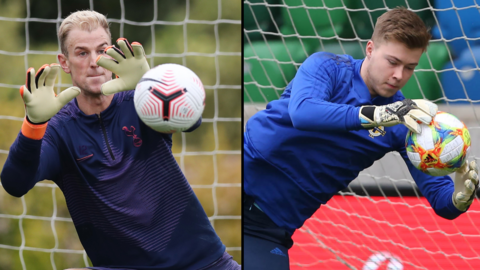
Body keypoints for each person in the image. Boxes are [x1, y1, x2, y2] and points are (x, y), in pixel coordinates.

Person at [1, 10, 240, 270]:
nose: (94, 62)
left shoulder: (141, 103)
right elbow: (14, 183)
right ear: (65, 62)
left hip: (202, 262)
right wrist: (33, 126)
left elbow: (192, 122)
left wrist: (150, 85)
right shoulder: (58, 130)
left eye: (101, 50)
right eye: (82, 53)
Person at [243, 7, 479, 270]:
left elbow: (441, 201)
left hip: (267, 227)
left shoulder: (405, 124)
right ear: (369, 49)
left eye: (409, 67)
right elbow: (303, 112)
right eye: (392, 62)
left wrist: (458, 196)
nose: (399, 75)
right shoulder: (327, 66)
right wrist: (377, 114)